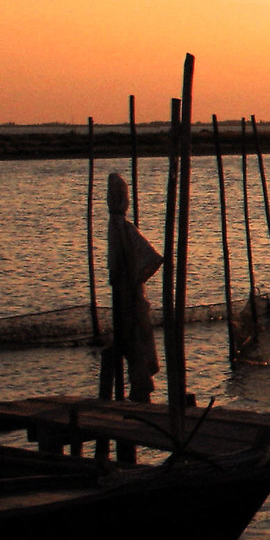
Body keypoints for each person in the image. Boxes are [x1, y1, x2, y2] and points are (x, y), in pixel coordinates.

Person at [104, 170, 162, 401]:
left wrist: (134, 279)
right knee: (128, 339)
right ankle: (137, 387)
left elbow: (152, 258)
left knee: (135, 337)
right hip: (124, 294)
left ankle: (140, 389)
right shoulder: (116, 226)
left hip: (129, 295)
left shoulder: (124, 228)